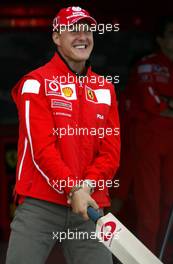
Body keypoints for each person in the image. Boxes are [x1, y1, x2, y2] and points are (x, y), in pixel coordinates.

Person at [6, 6, 120, 264]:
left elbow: (110, 153)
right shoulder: (35, 83)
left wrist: (86, 187)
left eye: (87, 30)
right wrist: (72, 188)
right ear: (57, 37)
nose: (83, 36)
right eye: (74, 30)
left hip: (88, 207)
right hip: (41, 204)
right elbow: (41, 149)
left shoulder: (105, 88)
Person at [118, 16, 173, 260]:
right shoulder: (147, 65)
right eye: (172, 33)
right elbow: (155, 104)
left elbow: (164, 105)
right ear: (160, 40)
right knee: (144, 208)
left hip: (167, 146)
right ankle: (141, 258)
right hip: (142, 145)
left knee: (168, 206)